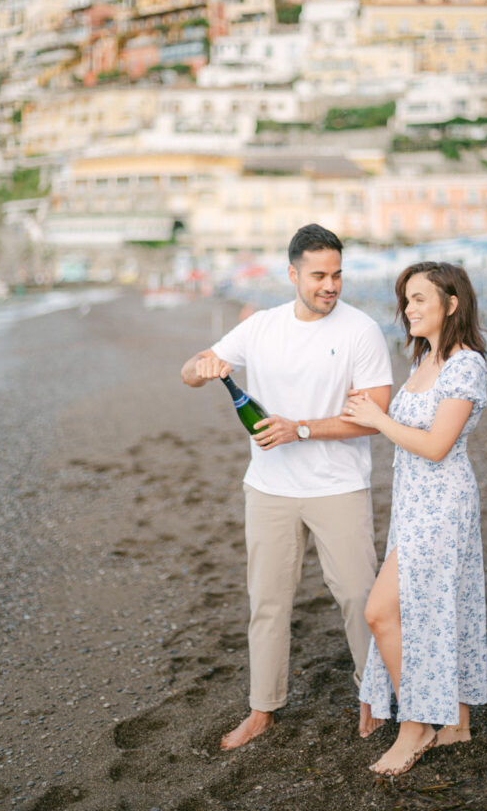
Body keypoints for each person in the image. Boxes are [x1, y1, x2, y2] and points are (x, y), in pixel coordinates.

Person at [180, 224, 394, 751]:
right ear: (293, 273)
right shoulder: (262, 328)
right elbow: (189, 371)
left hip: (338, 486)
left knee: (356, 596)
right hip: (269, 489)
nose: (331, 285)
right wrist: (203, 368)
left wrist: (299, 427)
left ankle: (373, 694)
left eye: (337, 274)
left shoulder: (360, 331)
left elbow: (378, 416)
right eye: (319, 275)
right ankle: (262, 709)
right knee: (268, 602)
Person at [341, 261, 487, 777]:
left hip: (443, 505)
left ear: (452, 303)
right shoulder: (425, 358)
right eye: (406, 300)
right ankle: (457, 722)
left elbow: (436, 445)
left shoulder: (465, 366)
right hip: (413, 505)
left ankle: (417, 725)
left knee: (382, 611)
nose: (409, 309)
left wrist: (379, 420)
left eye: (420, 299)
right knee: (438, 606)